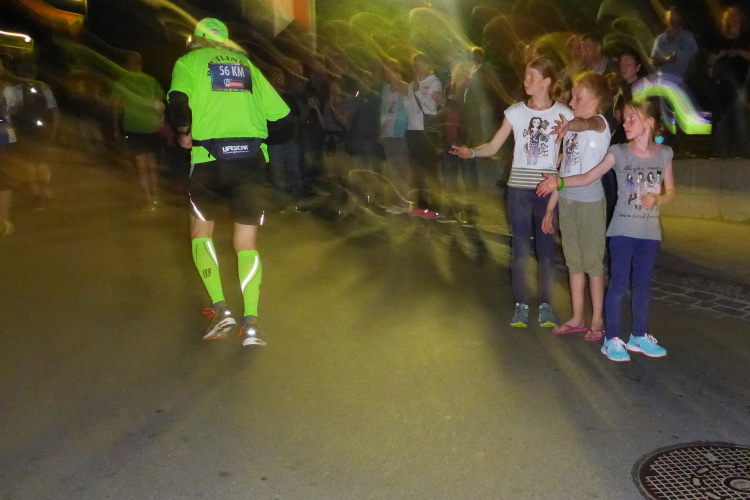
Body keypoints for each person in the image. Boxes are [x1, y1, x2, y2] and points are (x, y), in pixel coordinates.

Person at [168, 18, 290, 346]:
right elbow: (283, 118)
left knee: (201, 235)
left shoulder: (189, 62)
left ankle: (221, 310)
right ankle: (251, 323)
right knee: (246, 243)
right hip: (250, 162)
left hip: (209, 160)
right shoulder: (248, 67)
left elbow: (178, 104)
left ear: (196, 40)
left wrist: (184, 132)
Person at [536, 99, 675, 362]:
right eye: (625, 118)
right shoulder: (618, 151)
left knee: (642, 285)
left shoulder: (665, 153)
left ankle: (638, 336)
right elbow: (589, 176)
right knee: (619, 283)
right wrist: (559, 182)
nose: (625, 123)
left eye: (632, 118)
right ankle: (611, 339)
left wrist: (659, 199)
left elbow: (671, 191)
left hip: (649, 233)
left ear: (649, 123)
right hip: (622, 230)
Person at [451, 57, 573, 328]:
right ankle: (520, 304)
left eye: (532, 76)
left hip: (546, 189)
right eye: (526, 75)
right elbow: (493, 146)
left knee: (545, 249)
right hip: (518, 188)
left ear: (546, 81)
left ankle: (545, 305)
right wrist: (471, 152)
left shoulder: (564, 114)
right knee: (520, 248)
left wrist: (561, 169)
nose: (526, 80)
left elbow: (571, 152)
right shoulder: (516, 112)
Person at [540, 72, 617, 341]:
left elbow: (586, 123)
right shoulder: (571, 132)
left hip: (590, 202)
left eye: (578, 97)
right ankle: (577, 317)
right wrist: (551, 207)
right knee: (573, 262)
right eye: (572, 97)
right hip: (568, 200)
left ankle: (597, 320)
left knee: (593, 263)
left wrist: (570, 125)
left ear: (595, 100)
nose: (571, 102)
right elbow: (562, 174)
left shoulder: (600, 124)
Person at [111, 52, 165, 210]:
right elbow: (161, 100)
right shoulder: (151, 80)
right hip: (152, 126)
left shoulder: (122, 82)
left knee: (141, 164)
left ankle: (148, 199)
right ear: (141, 63)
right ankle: (156, 197)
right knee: (152, 163)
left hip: (133, 127)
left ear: (127, 64)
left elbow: (115, 107)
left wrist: (116, 127)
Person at [708, 5, 750, 158]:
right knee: (721, 118)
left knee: (739, 116)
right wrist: (717, 58)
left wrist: (738, 52)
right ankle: (722, 153)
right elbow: (711, 60)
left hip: (741, 82)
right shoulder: (720, 39)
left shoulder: (746, 37)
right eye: (730, 16)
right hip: (723, 83)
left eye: (736, 15)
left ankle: (745, 152)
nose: (733, 19)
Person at [405, 52, 443, 219]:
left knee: (430, 170)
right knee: (416, 170)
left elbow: (432, 108)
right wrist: (410, 95)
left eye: (420, 64)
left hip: (427, 130)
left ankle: (436, 207)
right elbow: (408, 107)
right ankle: (421, 205)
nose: (417, 67)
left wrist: (418, 92)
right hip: (412, 130)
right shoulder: (412, 84)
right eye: (414, 65)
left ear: (427, 64)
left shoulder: (434, 82)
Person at [380, 59, 411, 214]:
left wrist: (397, 82)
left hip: (400, 131)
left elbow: (408, 105)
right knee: (392, 170)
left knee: (401, 168)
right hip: (388, 132)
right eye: (387, 70)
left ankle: (405, 202)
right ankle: (398, 201)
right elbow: (383, 110)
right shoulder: (385, 89)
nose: (389, 73)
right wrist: (381, 131)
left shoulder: (405, 86)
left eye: (392, 70)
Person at [650, 6, 698, 83]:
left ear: (680, 18)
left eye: (675, 15)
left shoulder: (688, 36)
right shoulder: (659, 39)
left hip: (680, 81)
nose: (672, 18)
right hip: (663, 81)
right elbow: (653, 61)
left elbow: (694, 58)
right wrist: (665, 60)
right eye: (670, 15)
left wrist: (688, 77)